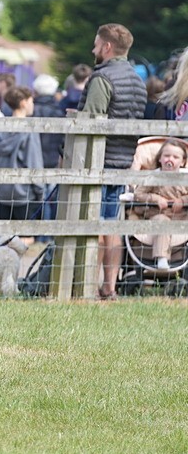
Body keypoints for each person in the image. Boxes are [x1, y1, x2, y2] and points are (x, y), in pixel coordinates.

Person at [80, 23, 146, 300]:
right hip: (123, 162)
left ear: (107, 47)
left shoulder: (103, 78)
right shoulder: (137, 81)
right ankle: (110, 286)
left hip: (100, 162)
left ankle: (88, 286)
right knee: (113, 227)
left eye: (96, 44)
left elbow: (89, 122)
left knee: (95, 228)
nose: (93, 49)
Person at [0, 86, 47, 223]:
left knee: (5, 240)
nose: (33, 105)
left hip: (2, 192)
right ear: (23, 102)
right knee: (25, 240)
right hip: (25, 194)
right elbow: (34, 163)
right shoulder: (29, 130)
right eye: (31, 101)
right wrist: (40, 191)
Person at [132, 138, 188, 270]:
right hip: (158, 216)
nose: (170, 160)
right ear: (160, 159)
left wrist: (183, 200)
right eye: (166, 156)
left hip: (181, 218)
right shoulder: (153, 177)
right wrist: (154, 198)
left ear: (182, 162)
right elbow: (138, 194)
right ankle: (162, 258)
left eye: (175, 157)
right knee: (162, 222)